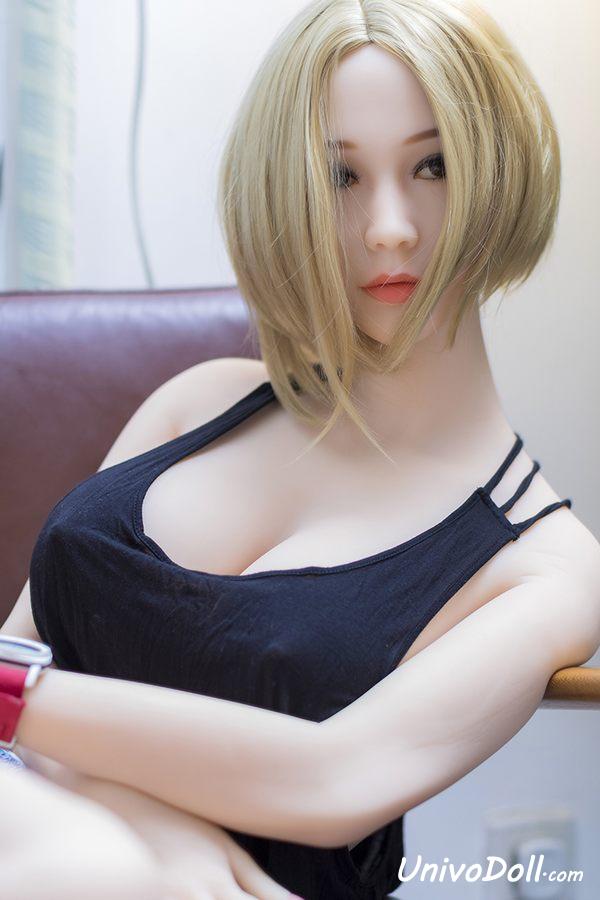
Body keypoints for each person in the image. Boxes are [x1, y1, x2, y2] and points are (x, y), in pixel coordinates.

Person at [2, 1, 599, 898]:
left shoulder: (544, 566)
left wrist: (23, 706)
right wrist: (150, 830)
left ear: (497, 171)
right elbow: (24, 648)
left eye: (433, 165)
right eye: (339, 175)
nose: (390, 226)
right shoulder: (197, 403)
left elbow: (330, 781)